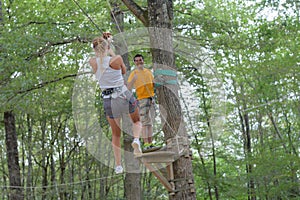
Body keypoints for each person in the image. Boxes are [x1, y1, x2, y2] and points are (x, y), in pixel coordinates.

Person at [89, 36, 142, 174]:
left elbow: (101, 57)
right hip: (124, 95)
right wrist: (111, 49)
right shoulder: (117, 59)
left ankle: (118, 165)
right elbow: (123, 70)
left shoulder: (93, 62)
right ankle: (136, 139)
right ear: (107, 48)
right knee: (136, 121)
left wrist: (106, 45)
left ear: (95, 50)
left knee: (116, 134)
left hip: (109, 100)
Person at [127, 54, 160, 153]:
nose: (139, 62)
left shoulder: (148, 72)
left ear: (143, 61)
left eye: (140, 60)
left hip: (150, 98)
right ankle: (146, 144)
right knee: (145, 122)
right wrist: (134, 79)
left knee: (149, 123)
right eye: (136, 61)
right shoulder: (134, 73)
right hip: (142, 99)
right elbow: (128, 86)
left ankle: (150, 143)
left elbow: (153, 83)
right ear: (134, 63)